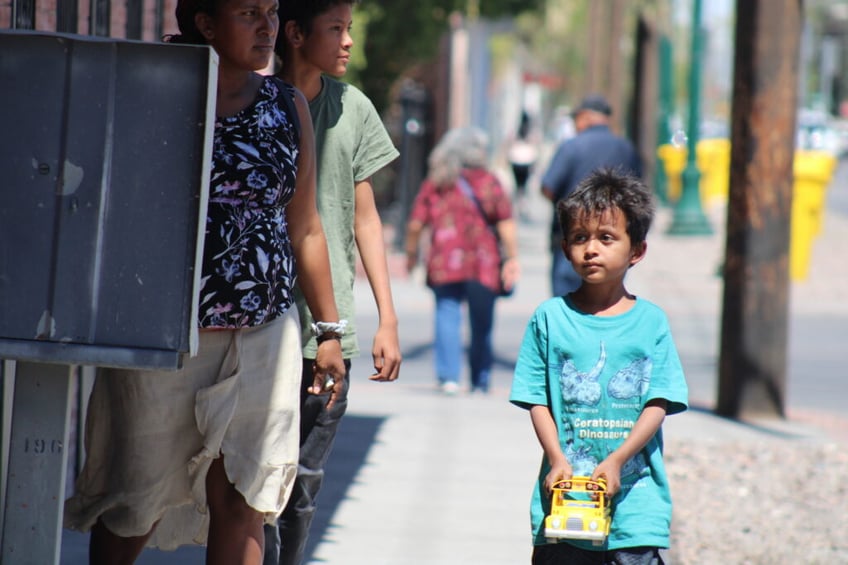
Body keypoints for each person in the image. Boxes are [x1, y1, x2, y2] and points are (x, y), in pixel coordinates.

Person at [63, 1, 346, 563]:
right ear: (205, 23)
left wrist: (330, 330)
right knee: (133, 499)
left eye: (271, 10)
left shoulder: (286, 105)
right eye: (248, 13)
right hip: (162, 335)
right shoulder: (151, 93)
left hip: (265, 336)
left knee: (246, 496)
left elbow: (306, 226)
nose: (267, 26)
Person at [262, 1, 402, 564]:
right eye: (336, 30)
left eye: (350, 30)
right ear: (295, 33)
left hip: (328, 333)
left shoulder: (355, 110)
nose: (348, 42)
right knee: (250, 485)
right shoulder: (253, 101)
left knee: (303, 487)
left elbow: (365, 218)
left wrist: (387, 318)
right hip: (261, 324)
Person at [509, 168, 688, 565]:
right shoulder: (550, 318)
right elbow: (536, 398)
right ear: (564, 247)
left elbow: (659, 401)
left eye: (607, 238)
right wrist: (556, 456)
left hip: (634, 511)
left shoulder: (652, 322)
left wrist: (619, 459)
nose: (591, 249)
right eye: (579, 238)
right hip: (564, 507)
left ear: (636, 250)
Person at [405, 127, 520, 395]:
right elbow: (505, 222)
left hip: (445, 261)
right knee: (483, 322)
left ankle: (449, 378)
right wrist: (512, 258)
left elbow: (415, 223)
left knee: (447, 313)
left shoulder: (437, 182)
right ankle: (480, 379)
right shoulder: (489, 181)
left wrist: (411, 254)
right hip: (484, 263)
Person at [541, 93, 642, 297]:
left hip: (573, 237)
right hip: (614, 239)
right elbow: (638, 192)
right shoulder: (626, 148)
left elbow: (547, 187)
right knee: (607, 300)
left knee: (566, 307)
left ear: (585, 117)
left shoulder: (572, 146)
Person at [507, 111, 539, 222]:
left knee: (518, 185)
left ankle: (518, 206)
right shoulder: (531, 131)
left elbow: (509, 142)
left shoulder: (516, 131)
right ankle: (522, 206)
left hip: (515, 160)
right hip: (527, 160)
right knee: (524, 186)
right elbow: (535, 146)